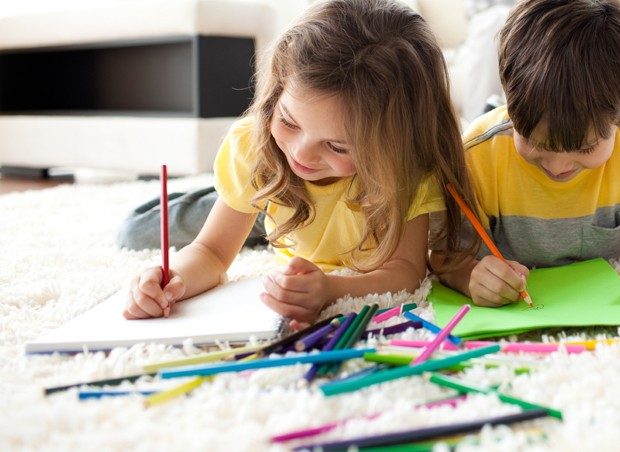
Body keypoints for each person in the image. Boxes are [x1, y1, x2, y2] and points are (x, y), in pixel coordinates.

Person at [123, 0, 478, 329]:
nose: (302, 155)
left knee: (268, 225)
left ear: (394, 146)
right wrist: (172, 281)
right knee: (136, 231)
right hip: (273, 193)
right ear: (276, 93)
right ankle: (237, 205)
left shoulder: (408, 170)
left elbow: (406, 272)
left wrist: (329, 289)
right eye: (290, 122)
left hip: (306, 219)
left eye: (337, 146)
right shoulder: (257, 145)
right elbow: (212, 251)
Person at [430, 0, 620, 307]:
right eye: (537, 142)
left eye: (585, 147)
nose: (557, 166)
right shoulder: (473, 160)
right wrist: (469, 277)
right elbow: (444, 257)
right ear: (510, 105)